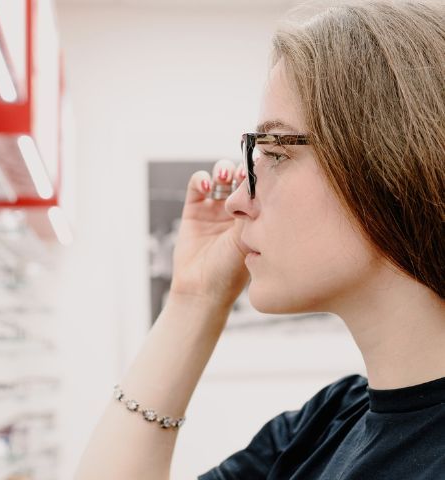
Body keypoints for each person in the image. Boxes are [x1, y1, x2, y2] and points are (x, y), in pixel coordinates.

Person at [73, 1, 444, 479]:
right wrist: (194, 298)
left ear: (387, 161)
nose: (237, 201)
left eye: (275, 152)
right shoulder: (325, 424)